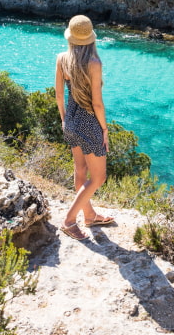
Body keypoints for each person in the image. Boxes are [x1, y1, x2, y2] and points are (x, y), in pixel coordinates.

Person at [55, 14, 114, 240]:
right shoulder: (94, 63)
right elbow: (97, 103)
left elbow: (59, 95)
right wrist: (105, 130)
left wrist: (64, 120)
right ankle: (69, 221)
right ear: (90, 38)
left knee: (80, 171)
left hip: (70, 120)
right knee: (98, 178)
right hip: (89, 124)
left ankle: (89, 216)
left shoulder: (62, 59)